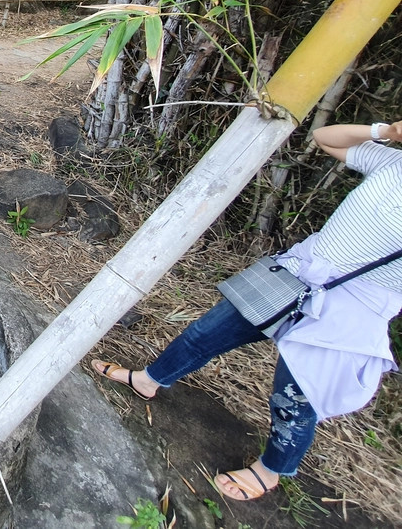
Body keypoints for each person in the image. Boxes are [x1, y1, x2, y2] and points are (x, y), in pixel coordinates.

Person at [92, 120, 402, 502]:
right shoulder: (391, 162)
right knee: (206, 333)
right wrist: (386, 132)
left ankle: (271, 471)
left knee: (296, 396)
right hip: (301, 269)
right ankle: (149, 379)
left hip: (354, 304)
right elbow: (325, 138)